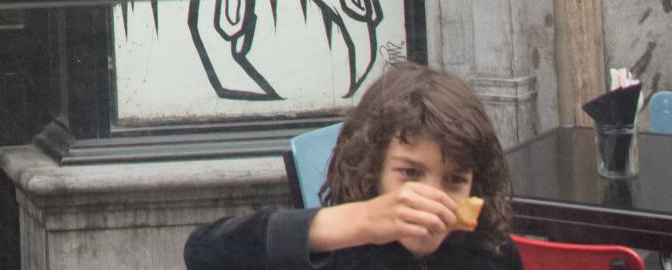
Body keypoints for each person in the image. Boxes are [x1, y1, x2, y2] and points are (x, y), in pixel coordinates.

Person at [185, 62, 521, 267]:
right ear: (373, 170)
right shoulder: (341, 251)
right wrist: (358, 222)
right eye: (410, 173)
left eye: (454, 179)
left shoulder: (491, 253)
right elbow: (204, 252)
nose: (429, 198)